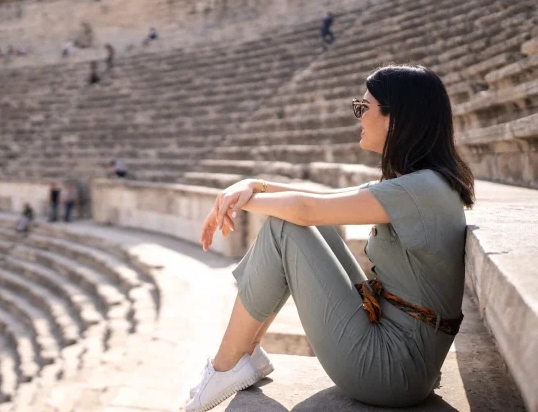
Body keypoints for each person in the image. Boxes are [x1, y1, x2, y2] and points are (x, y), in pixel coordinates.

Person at [186, 65, 475, 412]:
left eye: (363, 107)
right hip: (405, 359)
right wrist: (252, 185)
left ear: (395, 118)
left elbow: (304, 209)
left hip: (392, 371)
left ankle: (225, 365)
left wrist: (238, 202)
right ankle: (245, 354)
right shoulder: (422, 184)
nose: (358, 116)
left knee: (284, 226)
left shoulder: (419, 189)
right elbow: (318, 201)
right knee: (303, 225)